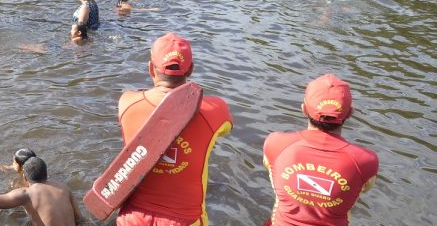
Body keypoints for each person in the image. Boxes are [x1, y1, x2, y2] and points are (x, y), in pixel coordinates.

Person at [116, 32, 233, 225]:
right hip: (185, 220)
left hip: (132, 217)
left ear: (151, 69)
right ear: (191, 69)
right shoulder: (214, 110)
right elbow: (227, 127)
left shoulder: (127, 103)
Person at [262, 74, 379, 226]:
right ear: (350, 113)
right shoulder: (366, 161)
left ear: (304, 109)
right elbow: (361, 189)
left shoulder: (276, 144)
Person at [0, 157, 80, 226]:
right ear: (45, 173)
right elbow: (80, 219)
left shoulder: (27, 193)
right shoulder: (64, 188)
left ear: (24, 177)